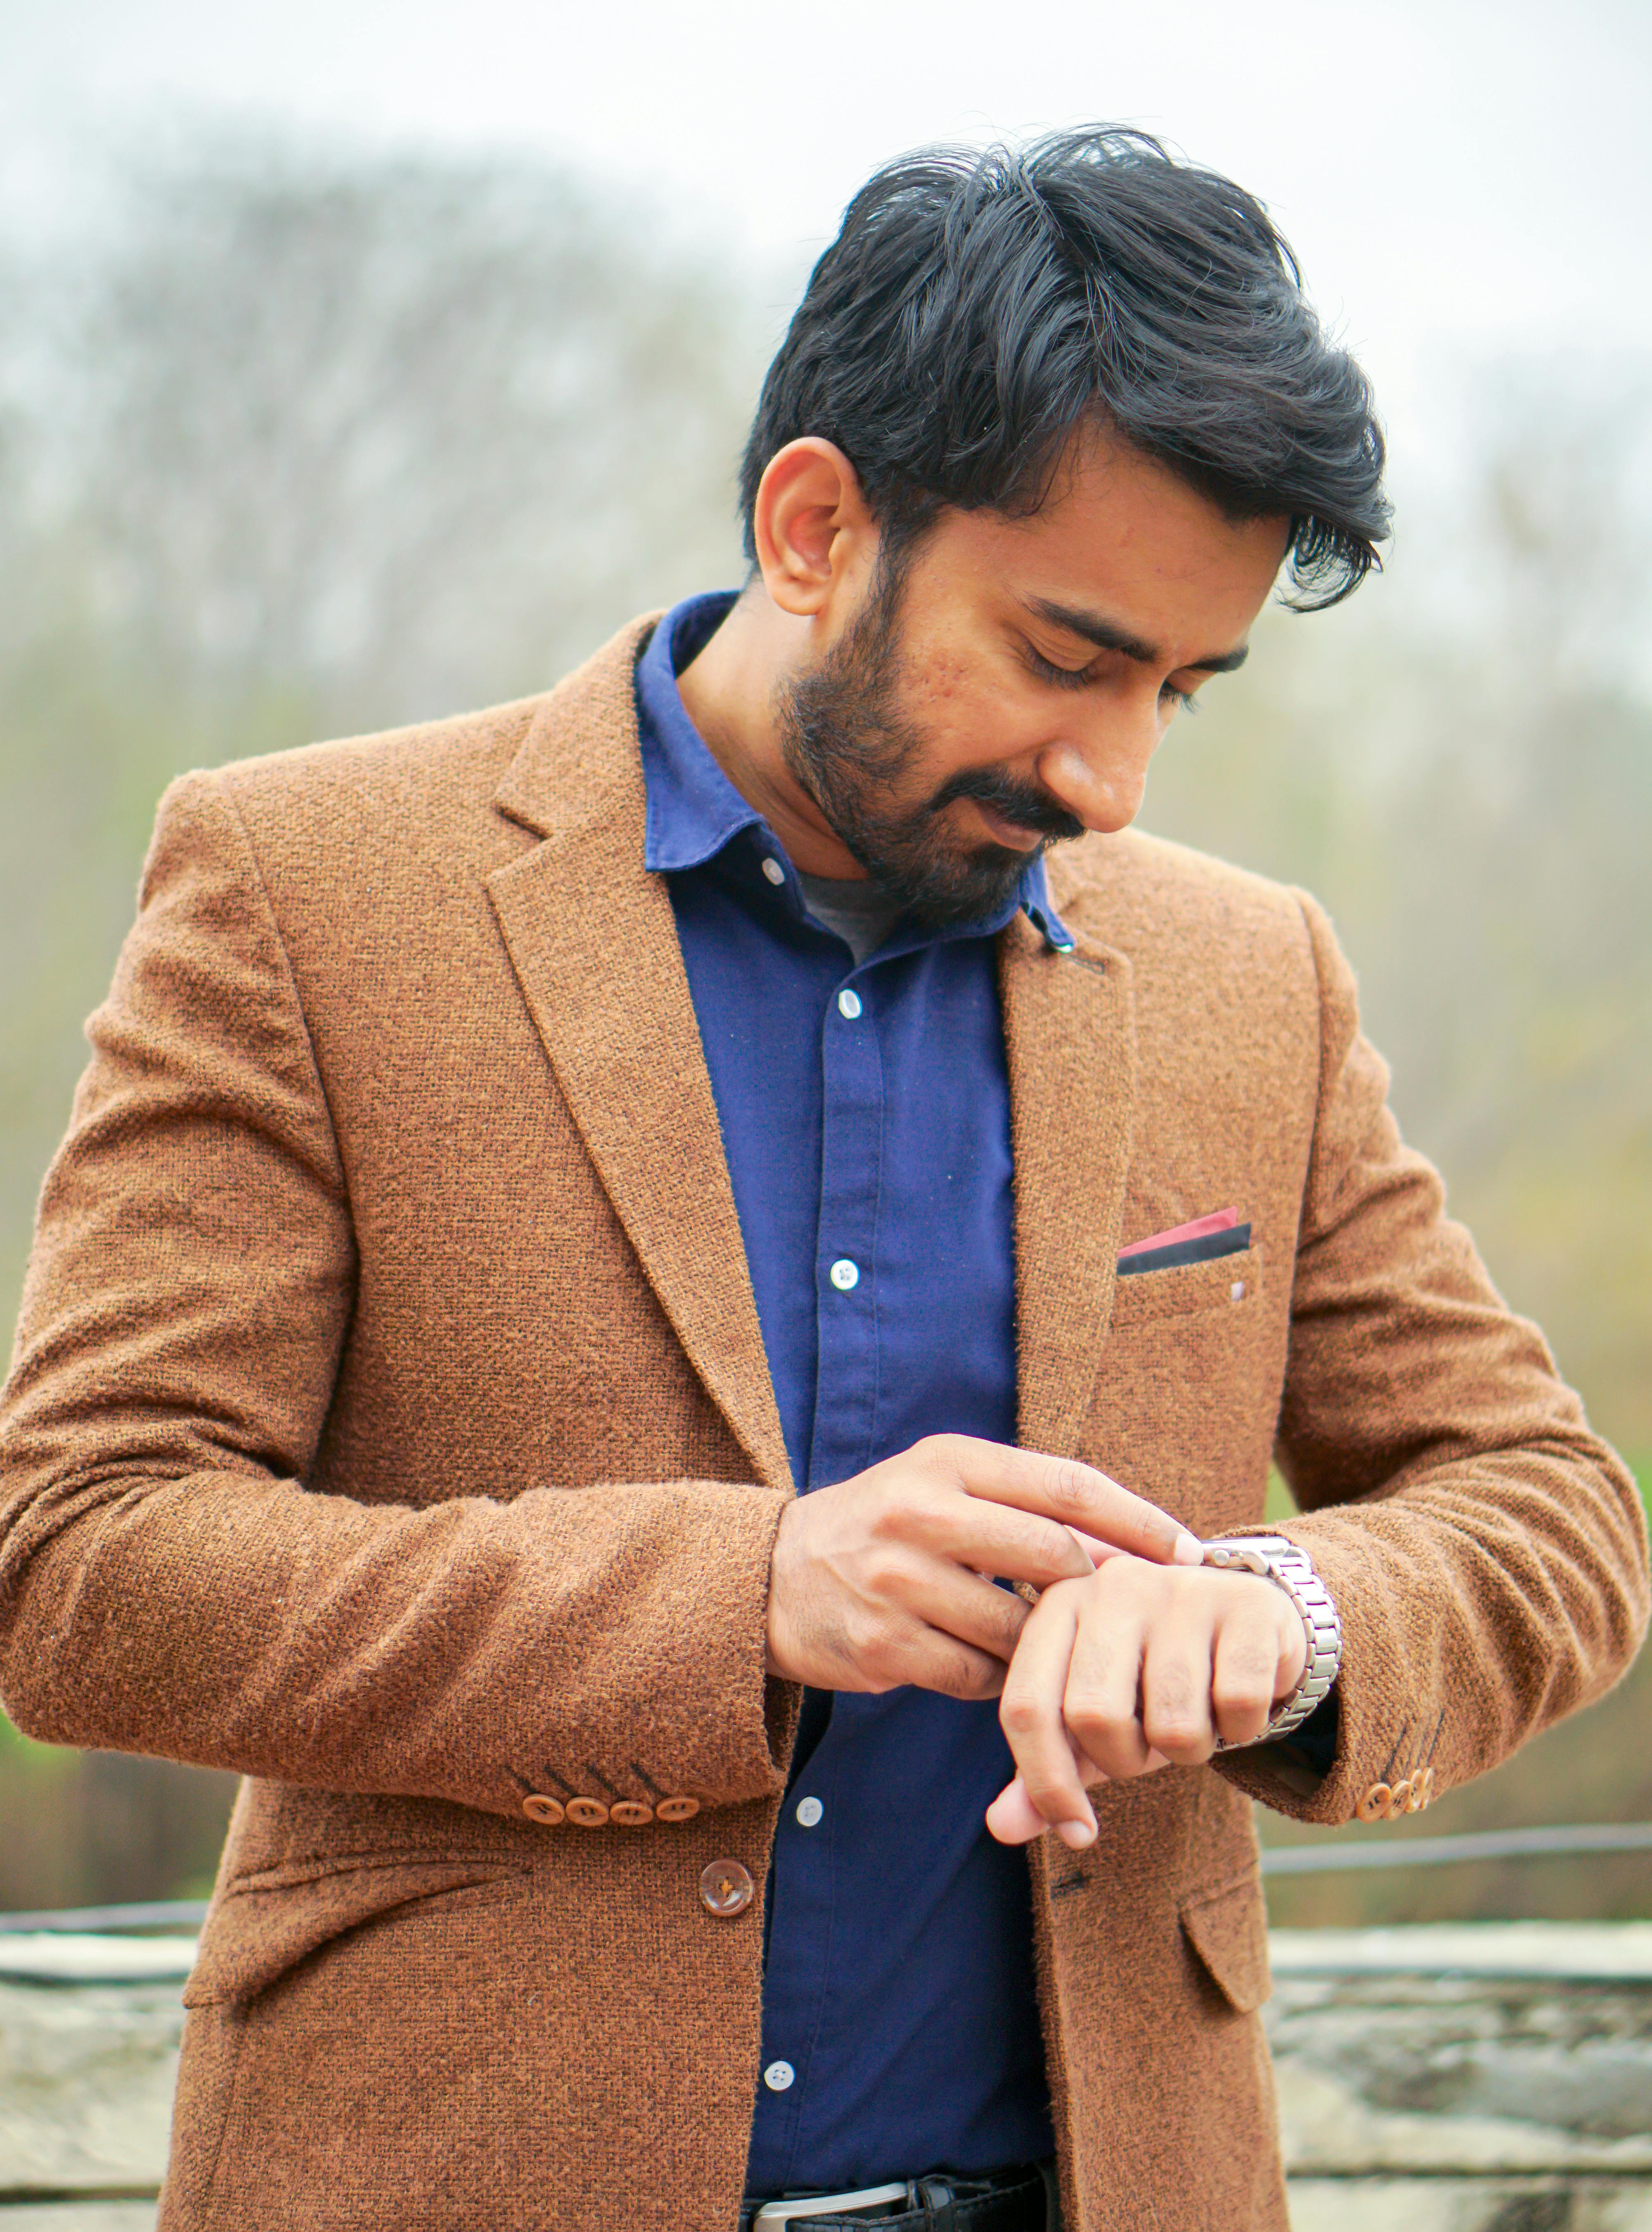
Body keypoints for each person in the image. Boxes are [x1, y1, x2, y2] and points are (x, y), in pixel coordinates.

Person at [0, 128, 1644, 2232]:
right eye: (1066, 655)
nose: (1112, 779)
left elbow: (1552, 1515)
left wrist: (1278, 1613)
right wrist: (741, 1596)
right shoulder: (308, 890)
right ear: (813, 525)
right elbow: (82, 1565)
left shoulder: (1254, 978)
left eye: (1181, 688)